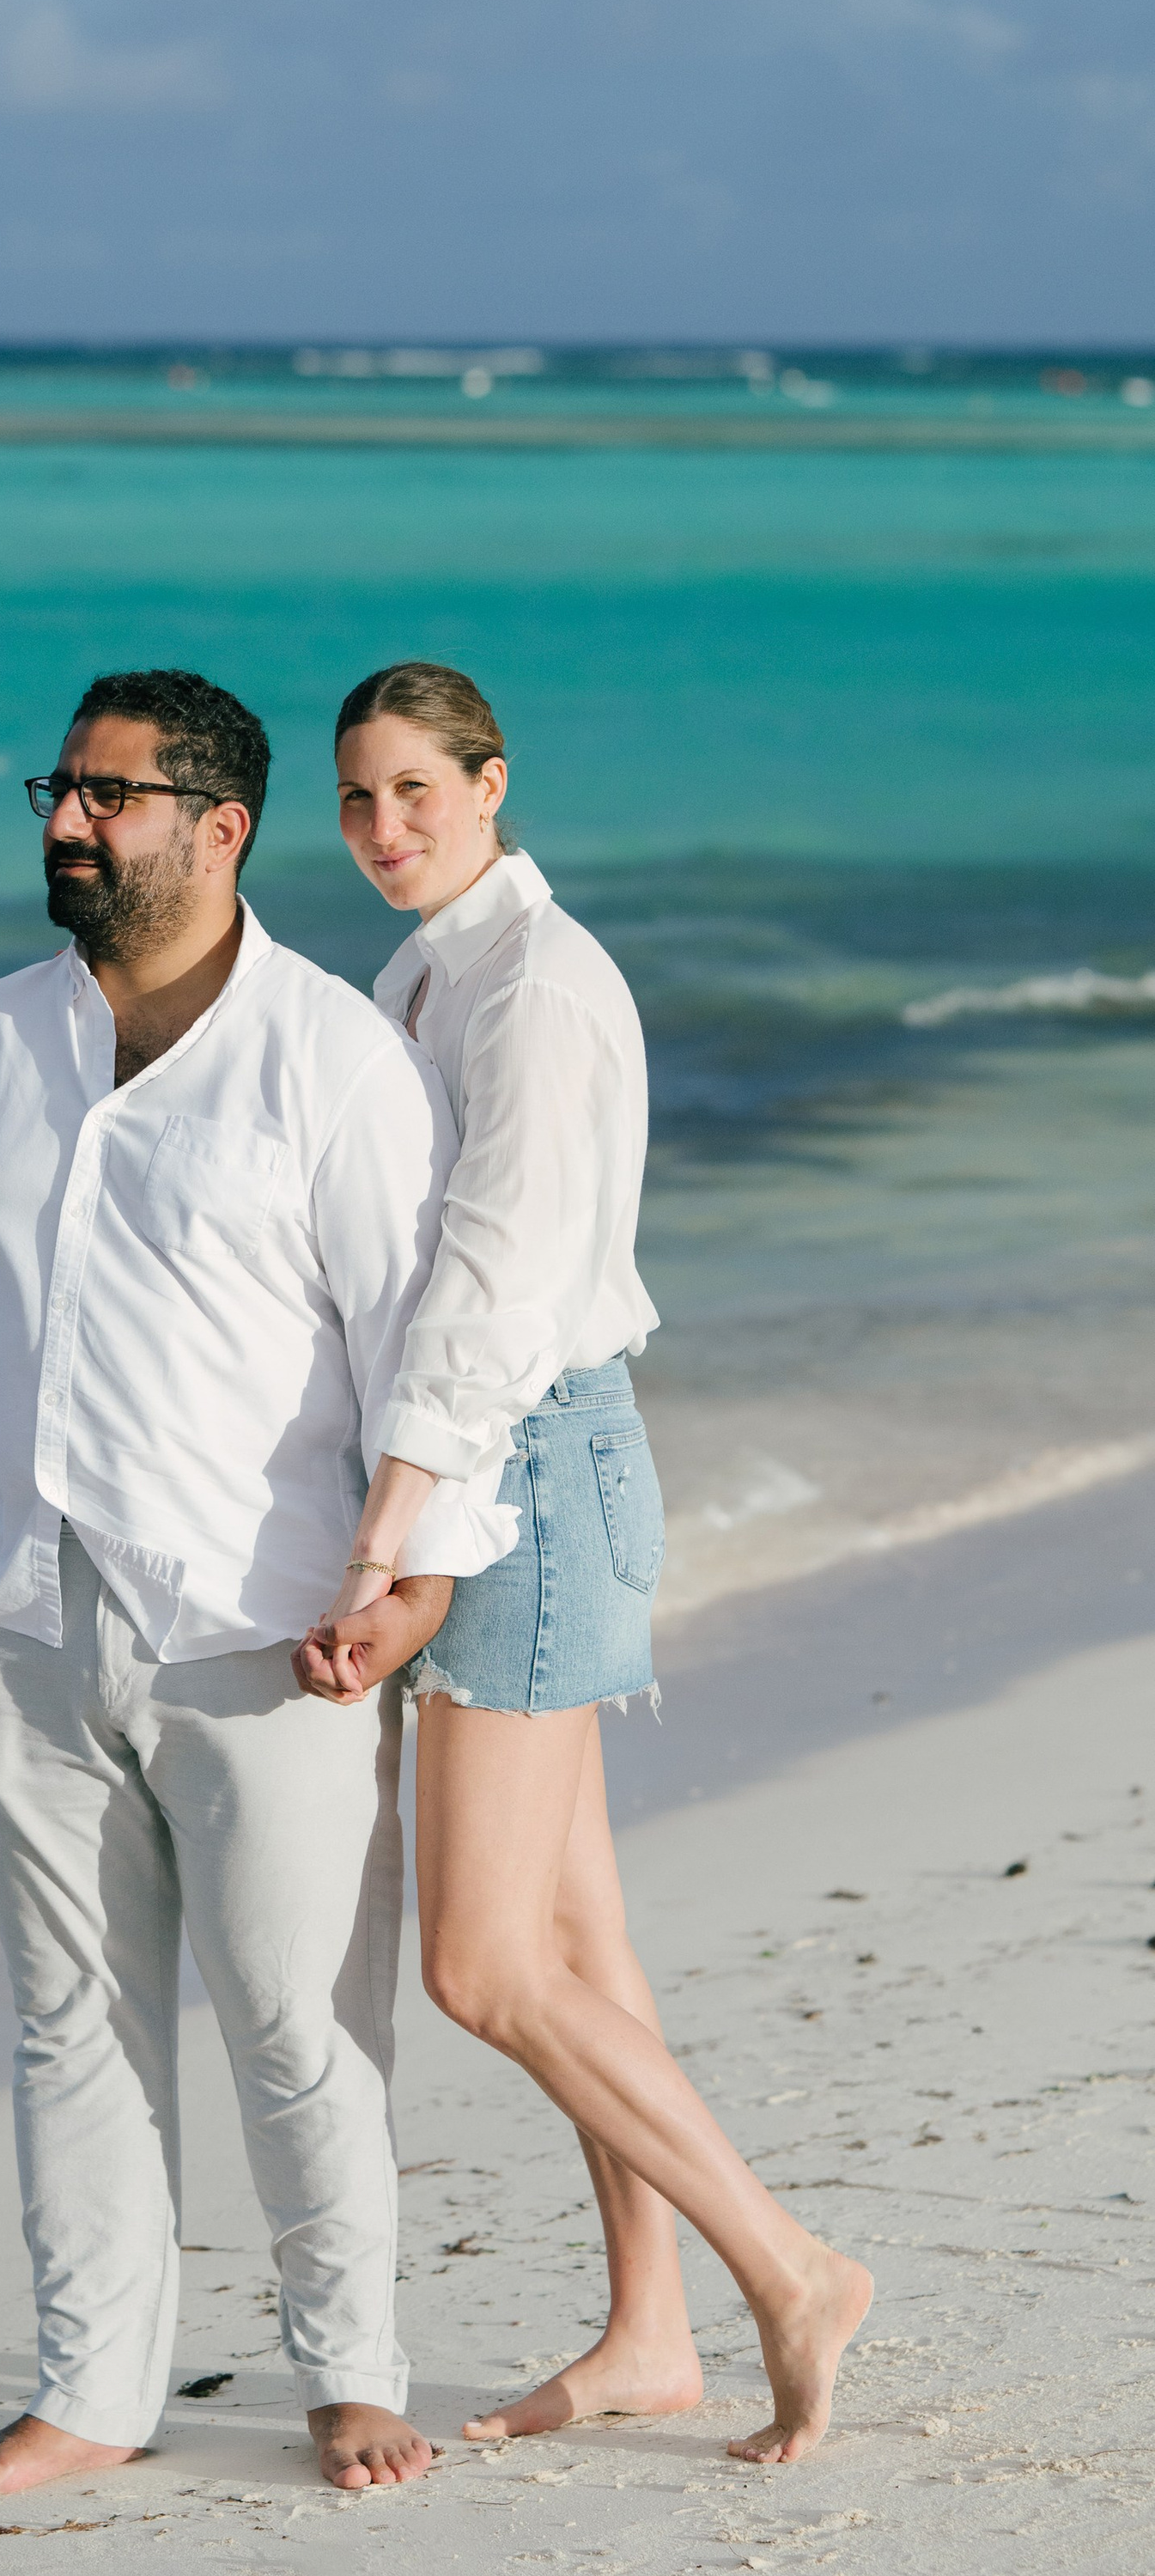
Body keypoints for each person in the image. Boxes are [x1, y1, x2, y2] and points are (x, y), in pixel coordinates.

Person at [0, 667, 508, 2502]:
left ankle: (350, 2368)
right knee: (67, 2015)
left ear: (219, 829)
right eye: (56, 790)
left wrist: (422, 1577)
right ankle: (91, 2383)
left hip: (264, 1619)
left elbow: (421, 1344)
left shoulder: (328, 1059)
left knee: (299, 2020)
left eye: (108, 797)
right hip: (9, 1606)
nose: (65, 823)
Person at [295, 659, 871, 2467]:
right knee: (576, 1946)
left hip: (520, 1475)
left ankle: (785, 2265)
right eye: (357, 800)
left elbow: (486, 1286)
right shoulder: (434, 967)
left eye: (415, 792)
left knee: (479, 1966)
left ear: (489, 782)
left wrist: (389, 1532)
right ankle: (648, 2331)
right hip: (520, 1461)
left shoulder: (530, 989)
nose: (385, 829)